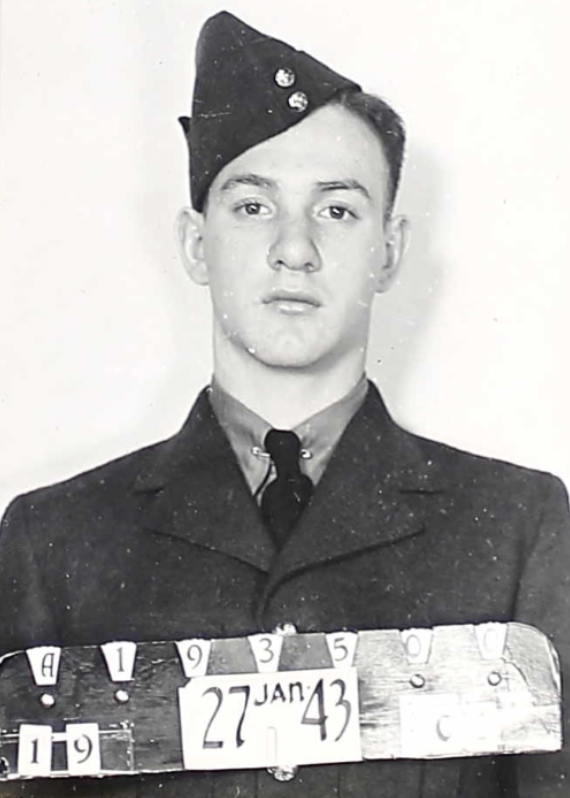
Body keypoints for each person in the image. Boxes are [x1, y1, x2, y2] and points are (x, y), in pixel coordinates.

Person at [0, 10, 569, 798]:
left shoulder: (517, 527)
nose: (294, 249)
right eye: (253, 206)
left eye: (336, 209)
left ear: (389, 251)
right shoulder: (54, 541)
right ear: (196, 244)